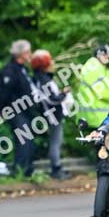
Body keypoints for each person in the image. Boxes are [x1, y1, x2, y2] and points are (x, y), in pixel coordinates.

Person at [0, 39, 37, 177]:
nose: (30, 54)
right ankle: (20, 170)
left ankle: (27, 169)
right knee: (24, 139)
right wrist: (1, 109)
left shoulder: (23, 69)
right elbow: (4, 93)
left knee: (29, 140)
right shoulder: (9, 71)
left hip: (26, 110)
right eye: (28, 52)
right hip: (15, 110)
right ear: (22, 53)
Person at [31, 50, 72, 180]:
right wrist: (64, 93)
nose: (53, 62)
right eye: (50, 60)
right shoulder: (43, 79)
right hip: (52, 114)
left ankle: (56, 167)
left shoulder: (41, 77)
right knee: (56, 142)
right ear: (44, 64)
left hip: (50, 113)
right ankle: (56, 169)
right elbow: (52, 99)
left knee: (56, 141)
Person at [76, 44, 109, 128]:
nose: (108, 56)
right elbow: (103, 93)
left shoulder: (99, 68)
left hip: (96, 118)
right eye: (105, 54)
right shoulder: (94, 69)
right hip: (96, 119)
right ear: (98, 55)